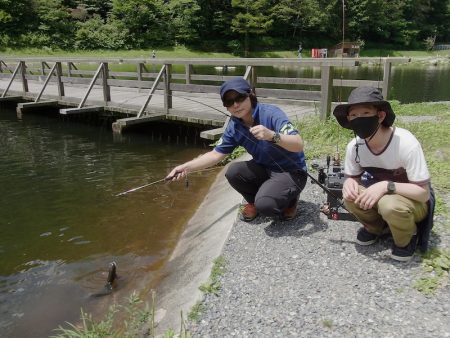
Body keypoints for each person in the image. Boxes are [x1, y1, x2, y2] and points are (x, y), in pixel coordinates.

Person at [166, 77, 308, 222]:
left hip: (291, 171)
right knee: (233, 172)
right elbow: (216, 155)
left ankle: (291, 200)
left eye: (239, 98)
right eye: (229, 102)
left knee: (266, 206)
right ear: (226, 106)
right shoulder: (234, 126)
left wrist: (272, 135)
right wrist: (185, 167)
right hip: (264, 168)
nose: (235, 105)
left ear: (250, 95)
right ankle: (254, 200)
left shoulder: (271, 113)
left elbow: (298, 144)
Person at [333, 86, 431, 262]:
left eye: (365, 113)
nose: (359, 119)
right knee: (350, 196)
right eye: (354, 115)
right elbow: (352, 178)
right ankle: (376, 228)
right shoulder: (354, 147)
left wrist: (386, 186)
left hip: (414, 202)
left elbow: (423, 193)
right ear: (348, 118)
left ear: (380, 115)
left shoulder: (406, 143)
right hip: (380, 196)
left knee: (389, 203)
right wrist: (349, 183)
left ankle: (407, 238)